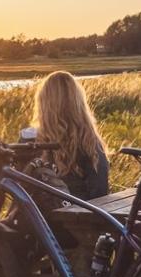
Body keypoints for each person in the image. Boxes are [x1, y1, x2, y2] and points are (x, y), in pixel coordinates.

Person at [31, 71, 110, 200]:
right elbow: (100, 190)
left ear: (43, 103)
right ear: (78, 103)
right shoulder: (88, 141)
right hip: (79, 215)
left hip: (38, 216)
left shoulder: (31, 141)